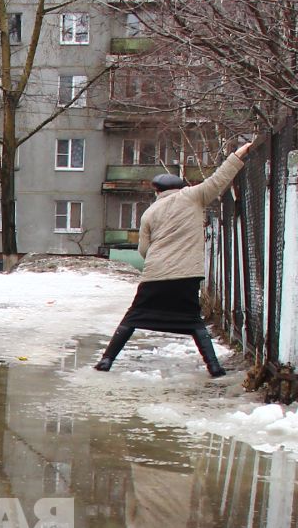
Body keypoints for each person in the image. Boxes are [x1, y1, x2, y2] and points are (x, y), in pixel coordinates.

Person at [95, 136, 262, 377]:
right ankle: (213, 367)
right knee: (193, 319)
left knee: (133, 317)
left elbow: (144, 250)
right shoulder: (194, 196)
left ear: (157, 191)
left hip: (155, 276)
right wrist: (238, 155)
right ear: (180, 187)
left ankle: (107, 360)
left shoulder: (150, 212)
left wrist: (159, 258)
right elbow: (219, 179)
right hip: (186, 274)